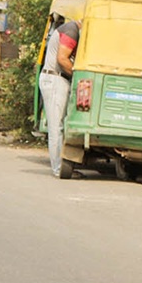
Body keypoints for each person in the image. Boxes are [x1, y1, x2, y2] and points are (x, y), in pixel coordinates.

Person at [38, 15, 81, 176]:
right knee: (57, 128)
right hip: (55, 79)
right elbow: (62, 59)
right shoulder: (72, 31)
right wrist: (77, 77)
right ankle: (58, 168)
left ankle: (61, 166)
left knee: (61, 127)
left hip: (57, 80)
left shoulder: (71, 30)